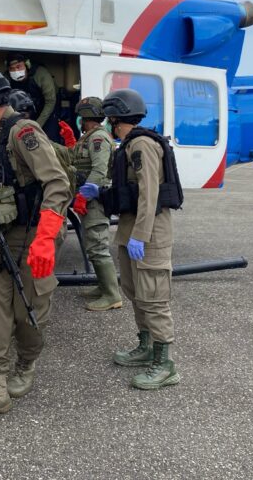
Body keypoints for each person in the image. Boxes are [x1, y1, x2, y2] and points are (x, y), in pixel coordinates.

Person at [0, 66, 71, 426]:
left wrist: (46, 238)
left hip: (32, 235)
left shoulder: (24, 132)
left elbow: (57, 184)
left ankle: (26, 362)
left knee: (28, 314)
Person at [80, 88, 181, 390]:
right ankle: (146, 347)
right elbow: (130, 193)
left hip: (148, 234)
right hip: (131, 231)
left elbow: (149, 194)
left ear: (115, 118)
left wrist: (140, 235)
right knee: (136, 293)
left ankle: (165, 365)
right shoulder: (129, 145)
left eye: (109, 119)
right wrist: (102, 193)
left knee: (154, 298)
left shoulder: (142, 145)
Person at [70, 97, 122, 312]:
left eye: (81, 117)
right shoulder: (90, 137)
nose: (80, 122)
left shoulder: (98, 138)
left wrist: (84, 196)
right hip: (90, 199)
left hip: (95, 201)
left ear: (86, 116)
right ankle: (103, 286)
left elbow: (99, 171)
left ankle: (112, 295)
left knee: (98, 247)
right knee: (92, 245)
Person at [4, 52, 61, 144]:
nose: (15, 71)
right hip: (24, 111)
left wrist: (37, 125)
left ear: (27, 65)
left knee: (49, 137)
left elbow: (50, 101)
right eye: (12, 69)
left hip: (46, 108)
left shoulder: (41, 74)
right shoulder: (6, 79)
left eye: (19, 67)